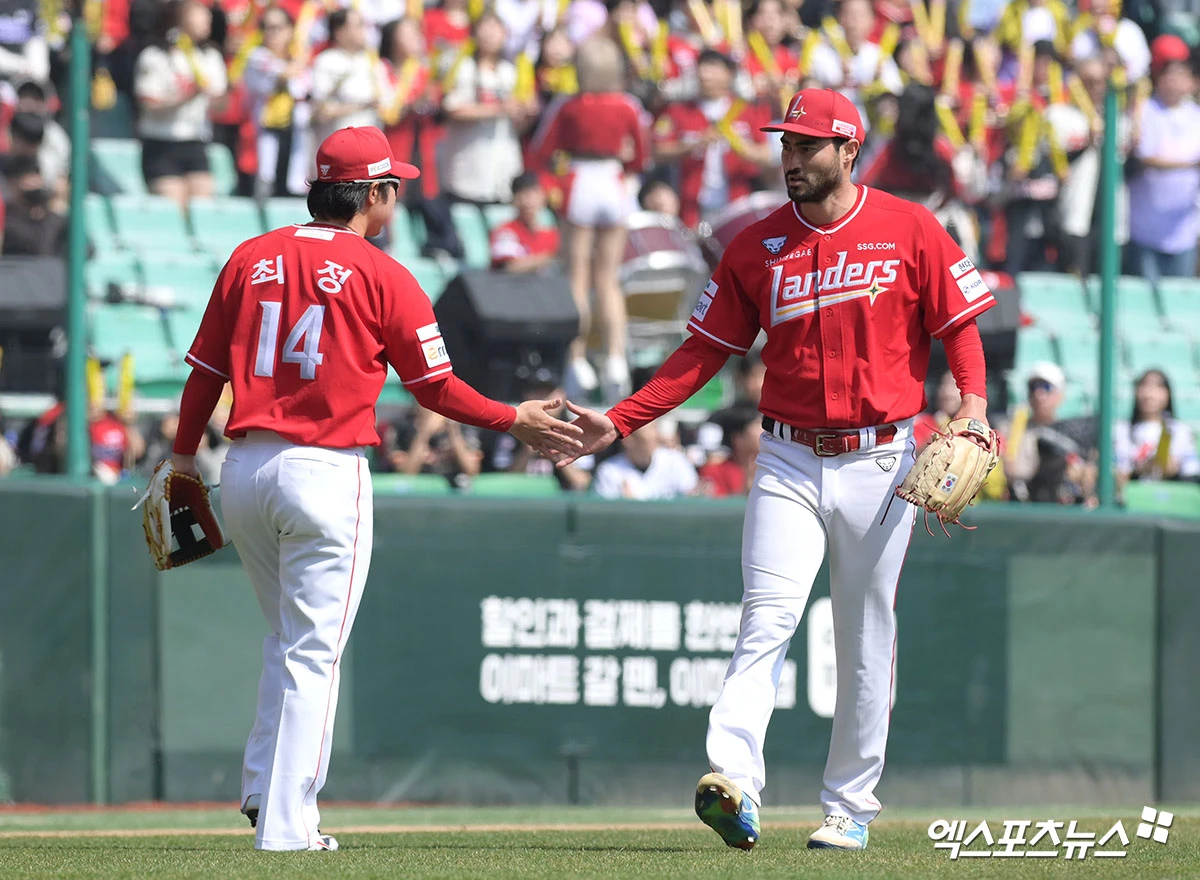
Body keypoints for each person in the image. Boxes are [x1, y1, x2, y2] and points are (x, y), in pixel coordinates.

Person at [559, 88, 995, 851]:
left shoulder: (908, 227)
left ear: (848, 149)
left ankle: (849, 809)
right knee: (766, 618)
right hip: (788, 455)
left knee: (865, 635)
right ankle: (736, 781)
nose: (791, 157)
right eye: (786, 144)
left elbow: (957, 323)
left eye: (808, 146)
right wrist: (621, 418)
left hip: (882, 458)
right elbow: (702, 355)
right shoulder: (755, 244)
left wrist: (977, 405)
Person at [169, 126, 581, 851]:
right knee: (313, 653)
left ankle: (265, 791)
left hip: (244, 472)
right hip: (323, 471)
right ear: (373, 195)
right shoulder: (383, 273)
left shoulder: (250, 255)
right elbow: (435, 389)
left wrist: (178, 459)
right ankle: (290, 829)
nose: (398, 198)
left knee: (288, 640)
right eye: (394, 187)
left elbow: (205, 370)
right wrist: (511, 417)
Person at [528, 36, 647, 404]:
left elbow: (540, 152)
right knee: (609, 278)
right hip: (613, 181)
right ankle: (615, 359)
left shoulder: (568, 106)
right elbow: (641, 155)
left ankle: (576, 361)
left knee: (577, 278)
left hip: (580, 180)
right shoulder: (628, 106)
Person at [133, 0, 228, 207]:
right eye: (199, 15)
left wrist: (216, 96)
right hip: (161, 142)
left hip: (195, 141)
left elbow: (220, 105)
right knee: (173, 208)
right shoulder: (156, 56)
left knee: (203, 206)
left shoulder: (210, 57)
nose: (207, 21)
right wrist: (186, 96)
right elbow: (149, 105)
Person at [1125, 34, 1200, 284]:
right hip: (1144, 230)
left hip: (1184, 232)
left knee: (1179, 306)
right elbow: (1145, 156)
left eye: (1181, 76)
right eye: (1169, 75)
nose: (1174, 82)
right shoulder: (1144, 110)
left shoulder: (1196, 116)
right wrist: (1190, 165)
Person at [1115, 369, 1200, 487]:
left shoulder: (1181, 431)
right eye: (1144, 385)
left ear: (1168, 394)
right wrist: (1140, 469)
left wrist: (1173, 472)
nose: (1149, 393)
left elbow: (1192, 475)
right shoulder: (1121, 430)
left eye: (1158, 386)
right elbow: (1115, 474)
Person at [592, 420, 699, 499]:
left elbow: (693, 499)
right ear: (627, 439)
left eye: (655, 429)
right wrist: (626, 507)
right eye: (650, 430)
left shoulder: (676, 461)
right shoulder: (609, 471)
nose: (656, 436)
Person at [489, 171, 560, 271]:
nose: (527, 202)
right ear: (514, 200)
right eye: (522, 195)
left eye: (533, 194)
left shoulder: (553, 235)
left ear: (543, 198)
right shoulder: (505, 232)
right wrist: (551, 258)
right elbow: (509, 267)